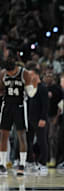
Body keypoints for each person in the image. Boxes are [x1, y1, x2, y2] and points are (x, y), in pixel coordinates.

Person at [0, 47, 38, 176]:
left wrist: (35, 85)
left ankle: (22, 164)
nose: (9, 75)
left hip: (20, 106)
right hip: (7, 105)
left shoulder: (24, 73)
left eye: (11, 73)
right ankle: (2, 164)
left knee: (21, 135)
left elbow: (31, 93)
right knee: (3, 135)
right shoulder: (2, 74)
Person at [27, 68, 49, 173]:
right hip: (30, 118)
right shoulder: (30, 88)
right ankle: (30, 161)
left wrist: (43, 118)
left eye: (31, 75)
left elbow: (45, 105)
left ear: (36, 75)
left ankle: (43, 163)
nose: (29, 77)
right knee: (28, 141)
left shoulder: (43, 88)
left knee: (42, 141)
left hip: (39, 119)